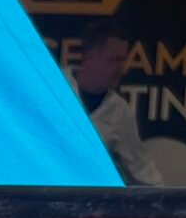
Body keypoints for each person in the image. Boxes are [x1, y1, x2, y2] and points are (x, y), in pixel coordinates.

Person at [68, 16, 163, 187]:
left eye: (123, 60)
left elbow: (142, 171)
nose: (122, 68)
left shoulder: (120, 111)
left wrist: (169, 204)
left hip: (85, 201)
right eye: (114, 60)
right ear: (90, 57)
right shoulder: (53, 86)